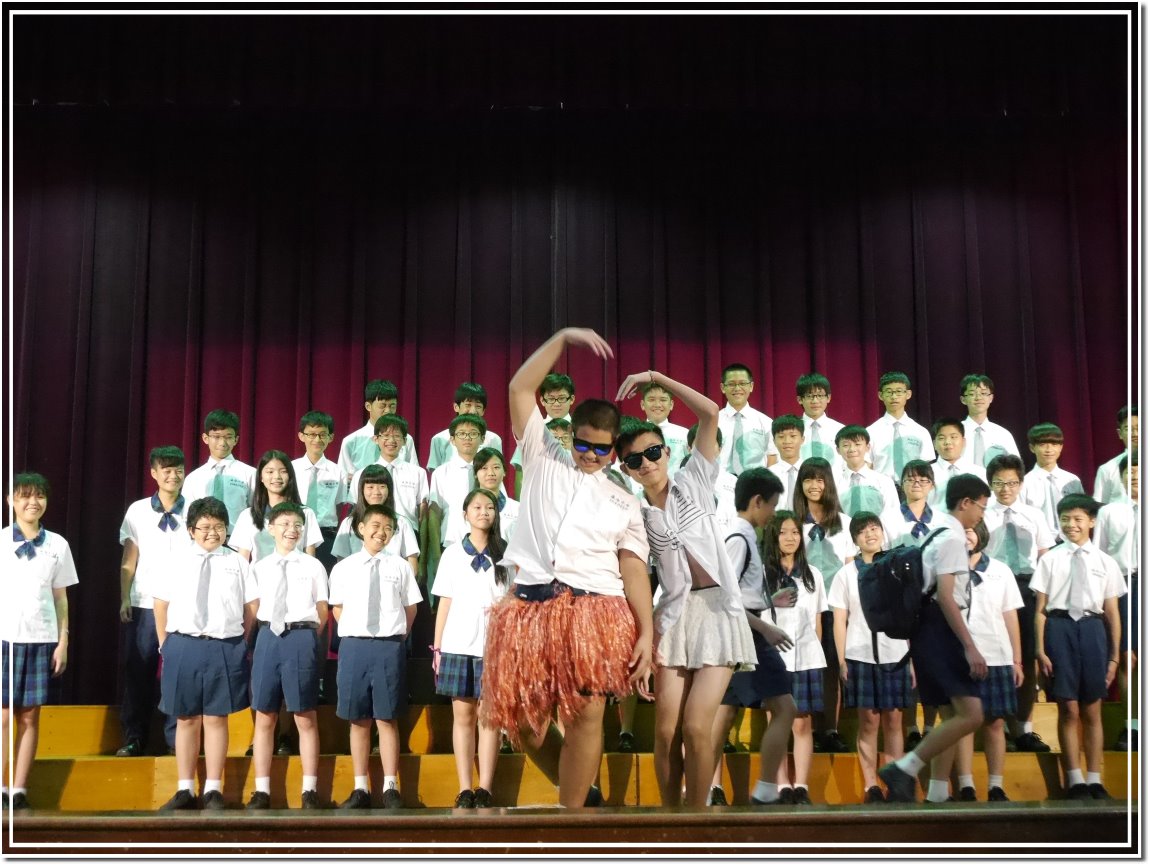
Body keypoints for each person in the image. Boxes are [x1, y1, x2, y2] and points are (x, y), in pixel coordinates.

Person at [480, 327, 653, 809]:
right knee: (522, 723)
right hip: (530, 606)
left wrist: (646, 631)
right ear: (570, 434)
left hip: (595, 609)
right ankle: (581, 794)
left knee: (587, 714)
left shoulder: (624, 500)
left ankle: (572, 819)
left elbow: (633, 568)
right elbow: (519, 387)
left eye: (602, 449)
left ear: (615, 449)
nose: (591, 456)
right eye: (584, 445)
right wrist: (562, 338)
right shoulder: (542, 457)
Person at [615, 369, 756, 808]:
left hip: (719, 611)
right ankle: (670, 819)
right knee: (664, 732)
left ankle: (697, 820)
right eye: (635, 460)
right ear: (626, 469)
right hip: (673, 617)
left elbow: (710, 413)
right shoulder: (635, 513)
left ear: (667, 450)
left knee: (696, 727)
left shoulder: (695, 477)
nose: (647, 463)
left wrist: (656, 376)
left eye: (652, 452)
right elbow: (635, 574)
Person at [878, 474, 992, 804]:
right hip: (940, 627)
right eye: (981, 507)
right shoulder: (953, 539)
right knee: (972, 714)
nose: (982, 515)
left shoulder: (936, 531)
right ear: (965, 502)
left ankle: (938, 792)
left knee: (951, 714)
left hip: (925, 629)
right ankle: (904, 767)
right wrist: (970, 646)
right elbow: (945, 596)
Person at [155, 496, 258, 810]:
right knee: (186, 718)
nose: (213, 532)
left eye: (219, 526)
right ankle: (185, 788)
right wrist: (165, 644)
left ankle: (213, 788)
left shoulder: (237, 562)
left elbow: (251, 605)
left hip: (224, 645)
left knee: (216, 718)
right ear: (191, 530)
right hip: (183, 644)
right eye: (205, 527)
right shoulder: (176, 559)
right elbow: (161, 604)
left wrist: (241, 640)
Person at [708, 468, 796, 806]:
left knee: (725, 713)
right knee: (784, 708)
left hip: (742, 632)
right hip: (745, 636)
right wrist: (766, 628)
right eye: (772, 504)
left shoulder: (742, 536)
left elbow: (737, 594)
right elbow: (724, 598)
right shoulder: (738, 539)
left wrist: (769, 603)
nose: (773, 512)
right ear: (757, 501)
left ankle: (704, 788)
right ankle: (765, 788)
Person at [329, 505, 423, 809]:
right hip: (355, 646)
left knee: (386, 717)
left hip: (388, 647)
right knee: (358, 719)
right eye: (376, 525)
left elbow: (410, 609)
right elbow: (337, 608)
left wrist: (395, 637)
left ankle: (390, 787)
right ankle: (360, 788)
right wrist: (358, 632)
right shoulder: (344, 567)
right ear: (361, 528)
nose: (381, 532)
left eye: (388, 528)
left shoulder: (400, 566)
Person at [1032, 493, 1125, 799]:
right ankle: (1074, 779)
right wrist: (1040, 650)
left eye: (1077, 519)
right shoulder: (1050, 559)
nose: (1071, 525)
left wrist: (1114, 657)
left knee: (1092, 709)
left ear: (1092, 522)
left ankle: (1095, 779)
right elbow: (1040, 610)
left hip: (1092, 629)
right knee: (1068, 708)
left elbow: (1112, 612)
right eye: (1065, 519)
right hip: (1059, 628)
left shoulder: (1105, 562)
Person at [245, 502, 329, 810]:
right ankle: (262, 790)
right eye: (284, 524)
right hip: (268, 636)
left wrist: (306, 639)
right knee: (265, 715)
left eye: (297, 525)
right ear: (270, 528)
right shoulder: (259, 567)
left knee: (304, 716)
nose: (291, 530)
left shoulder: (313, 565)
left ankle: (309, 790)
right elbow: (253, 608)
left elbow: (322, 609)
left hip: (301, 636)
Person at [431, 488, 511, 809]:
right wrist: (437, 649)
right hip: (457, 643)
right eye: (477, 507)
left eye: (489, 507)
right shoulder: (452, 554)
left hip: (495, 646)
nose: (483, 512)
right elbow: (444, 602)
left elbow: (512, 603)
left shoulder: (506, 553)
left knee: (489, 717)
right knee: (463, 715)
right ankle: (465, 787)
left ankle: (485, 787)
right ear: (465, 514)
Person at [3, 472, 77, 811]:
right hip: (5, 638)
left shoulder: (58, 545)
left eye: (39, 496)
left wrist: (63, 641)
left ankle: (19, 789)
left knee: (30, 718)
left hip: (41, 639)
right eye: (25, 496)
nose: (33, 502)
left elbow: (61, 598)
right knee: (4, 717)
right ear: (11, 501)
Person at [830, 512, 911, 803]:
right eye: (863, 531)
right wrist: (842, 660)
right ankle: (870, 785)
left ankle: (895, 784)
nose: (870, 534)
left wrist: (912, 658)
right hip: (860, 654)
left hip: (896, 653)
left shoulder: (897, 569)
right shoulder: (845, 574)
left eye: (875, 528)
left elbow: (908, 615)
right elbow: (840, 621)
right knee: (868, 722)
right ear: (855, 539)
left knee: (894, 721)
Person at [116, 447, 188, 759]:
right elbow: (129, 559)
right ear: (154, 473)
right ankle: (134, 737)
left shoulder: (195, 508)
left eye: (178, 469)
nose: (173, 475)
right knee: (139, 670)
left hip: (183, 604)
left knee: (177, 671)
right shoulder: (138, 511)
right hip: (144, 601)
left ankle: (176, 740)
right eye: (166, 470)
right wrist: (124, 597)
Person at [981, 453, 1054, 753]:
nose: (1005, 489)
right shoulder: (984, 515)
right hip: (993, 587)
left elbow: (1045, 556)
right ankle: (999, 726)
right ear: (990, 484)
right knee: (998, 657)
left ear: (1021, 484)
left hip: (1027, 587)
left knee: (1027, 657)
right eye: (999, 483)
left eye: (1011, 483)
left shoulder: (1034, 515)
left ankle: (1024, 729)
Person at [952, 518, 1023, 802]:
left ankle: (996, 785)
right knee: (964, 723)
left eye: (969, 532)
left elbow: (1010, 615)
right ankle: (966, 785)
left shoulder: (1000, 570)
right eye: (960, 533)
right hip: (960, 656)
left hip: (997, 655)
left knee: (995, 723)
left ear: (980, 534)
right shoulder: (948, 570)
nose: (965, 538)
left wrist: (1017, 660)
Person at [763, 510, 827, 804]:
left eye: (795, 532)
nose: (790, 538)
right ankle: (780, 784)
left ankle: (801, 785)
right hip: (774, 658)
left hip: (806, 657)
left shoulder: (813, 575)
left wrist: (816, 651)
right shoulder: (763, 575)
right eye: (783, 532)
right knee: (776, 721)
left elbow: (818, 621)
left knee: (802, 723)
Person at [793, 457, 856, 755]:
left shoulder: (844, 523)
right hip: (801, 609)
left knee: (832, 669)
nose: (814, 485)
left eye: (820, 479)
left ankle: (830, 729)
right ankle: (804, 729)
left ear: (828, 483)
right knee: (805, 668)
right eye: (808, 479)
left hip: (835, 608)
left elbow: (850, 567)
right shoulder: (793, 523)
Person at [883, 460, 943, 749]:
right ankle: (910, 726)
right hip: (900, 599)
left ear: (931, 485)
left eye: (922, 480)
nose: (916, 484)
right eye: (910, 479)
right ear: (902, 484)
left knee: (933, 663)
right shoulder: (889, 518)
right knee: (907, 664)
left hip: (933, 599)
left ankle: (930, 725)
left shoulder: (942, 520)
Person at [1095, 455, 1139, 750]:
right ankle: (1132, 726)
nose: (1133, 477)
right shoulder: (1109, 511)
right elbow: (1099, 555)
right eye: (1128, 472)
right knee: (1127, 657)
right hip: (1123, 584)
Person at [229, 450, 323, 563]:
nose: (277, 476)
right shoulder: (247, 515)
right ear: (261, 477)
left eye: (283, 471)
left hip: (296, 573)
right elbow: (243, 561)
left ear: (290, 476)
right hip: (259, 573)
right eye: (270, 472)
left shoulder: (306, 513)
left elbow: (310, 558)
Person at [345, 414, 429, 539]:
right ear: (375, 439)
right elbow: (356, 509)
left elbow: (423, 513)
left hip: (409, 535)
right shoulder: (361, 474)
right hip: (372, 536)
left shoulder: (418, 473)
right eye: (386, 435)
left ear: (405, 441)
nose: (391, 440)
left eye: (396, 436)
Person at [337, 380, 418, 495]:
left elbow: (413, 473)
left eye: (392, 406)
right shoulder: (351, 441)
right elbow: (344, 481)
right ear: (368, 406)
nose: (388, 411)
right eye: (382, 406)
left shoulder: (406, 439)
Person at [180, 409, 256, 531]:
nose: (222, 443)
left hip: (237, 540)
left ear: (236, 440)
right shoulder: (193, 478)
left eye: (228, 437)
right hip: (203, 539)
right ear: (205, 438)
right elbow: (186, 517)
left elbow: (257, 513)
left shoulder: (250, 474)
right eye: (216, 437)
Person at [292, 410, 344, 571]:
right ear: (301, 436)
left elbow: (339, 505)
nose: (317, 439)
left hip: (325, 535)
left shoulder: (338, 471)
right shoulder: (291, 468)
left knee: (324, 578)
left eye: (322, 435)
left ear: (331, 437)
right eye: (312, 434)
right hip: (294, 533)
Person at [509, 372, 576, 496]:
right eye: (551, 399)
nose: (556, 403)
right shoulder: (531, 430)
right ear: (542, 400)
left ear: (571, 399)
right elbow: (521, 472)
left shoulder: (583, 431)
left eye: (561, 398)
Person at [866, 372, 936, 486]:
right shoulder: (871, 432)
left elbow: (926, 467)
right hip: (882, 488)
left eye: (899, 391)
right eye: (889, 392)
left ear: (908, 394)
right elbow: (867, 466)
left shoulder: (920, 432)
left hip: (913, 488)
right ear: (880, 395)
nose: (894, 396)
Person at [429, 414, 487, 549]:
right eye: (461, 434)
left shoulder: (489, 471)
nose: (467, 438)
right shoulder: (441, 473)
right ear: (452, 440)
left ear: (482, 439)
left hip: (485, 541)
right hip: (451, 540)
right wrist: (435, 552)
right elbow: (434, 514)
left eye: (473, 433)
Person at [1020, 423, 1085, 536]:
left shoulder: (1072, 480)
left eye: (1054, 444)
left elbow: (1082, 513)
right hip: (1039, 541)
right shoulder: (1025, 483)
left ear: (1061, 447)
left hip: (1070, 538)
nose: (1049, 449)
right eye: (1042, 444)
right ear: (1032, 448)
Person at [426, 382, 505, 474]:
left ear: (483, 411)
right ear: (456, 407)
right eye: (468, 405)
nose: (473, 411)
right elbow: (435, 474)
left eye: (478, 406)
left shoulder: (493, 439)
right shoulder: (440, 439)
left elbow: (497, 472)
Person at [717, 363, 777, 474]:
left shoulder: (766, 422)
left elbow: (772, 456)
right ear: (723, 388)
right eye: (731, 384)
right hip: (719, 482)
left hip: (756, 481)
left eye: (742, 383)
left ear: (751, 386)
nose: (737, 388)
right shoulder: (713, 422)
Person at [834, 426, 902, 522]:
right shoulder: (833, 482)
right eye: (846, 445)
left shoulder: (884, 482)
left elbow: (893, 516)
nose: (852, 449)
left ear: (867, 447)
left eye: (857, 444)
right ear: (838, 450)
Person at [958, 374, 1020, 468]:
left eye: (983, 393)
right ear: (963, 399)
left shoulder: (1003, 434)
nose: (978, 398)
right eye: (972, 394)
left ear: (991, 398)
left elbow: (1016, 468)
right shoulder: (955, 433)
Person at [638, 379, 691, 476]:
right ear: (642, 404)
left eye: (663, 400)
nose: (657, 405)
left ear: (671, 405)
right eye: (651, 400)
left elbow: (693, 467)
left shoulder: (683, 434)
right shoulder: (633, 434)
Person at [928, 418, 982, 509]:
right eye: (941, 438)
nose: (948, 442)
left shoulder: (979, 473)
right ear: (934, 445)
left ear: (963, 442)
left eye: (953, 437)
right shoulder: (925, 475)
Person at [796, 373, 844, 470]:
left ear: (828, 398)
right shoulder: (792, 431)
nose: (815, 401)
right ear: (800, 399)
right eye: (809, 396)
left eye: (820, 395)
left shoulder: (840, 430)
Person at [1093, 406, 1138, 505]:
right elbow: (1099, 506)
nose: (1135, 434)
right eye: (1128, 429)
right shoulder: (1108, 469)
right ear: (1119, 433)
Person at [473, 448, 520, 541]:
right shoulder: (465, 508)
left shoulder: (518, 509)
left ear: (504, 472)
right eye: (484, 468)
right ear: (475, 474)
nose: (491, 473)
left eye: (496, 467)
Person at [767, 415, 805, 510]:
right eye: (781, 436)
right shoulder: (767, 476)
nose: (787, 441)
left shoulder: (812, 472)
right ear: (774, 441)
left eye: (793, 436)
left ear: (802, 439)